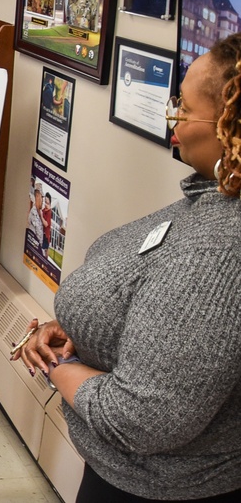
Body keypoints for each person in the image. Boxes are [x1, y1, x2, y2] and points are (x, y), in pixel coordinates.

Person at [14, 35, 241, 503]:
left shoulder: (220, 251)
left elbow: (140, 417)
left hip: (154, 489)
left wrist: (61, 365)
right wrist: (81, 328)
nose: (172, 116)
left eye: (186, 106)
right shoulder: (211, 201)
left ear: (230, 127)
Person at [28, 181, 45, 249]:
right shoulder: (33, 214)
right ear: (37, 196)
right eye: (42, 197)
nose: (43, 200)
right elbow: (32, 239)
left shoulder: (40, 213)